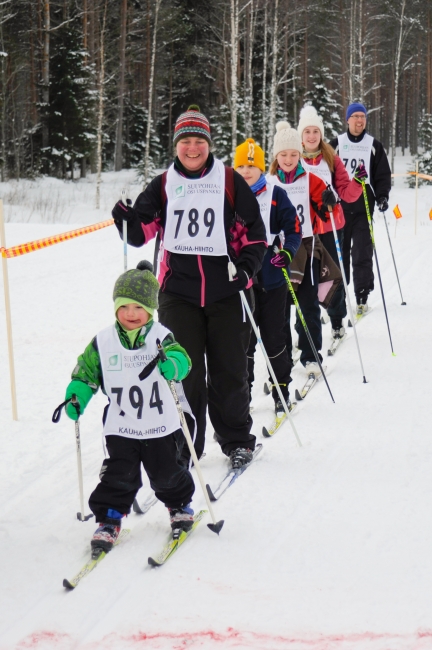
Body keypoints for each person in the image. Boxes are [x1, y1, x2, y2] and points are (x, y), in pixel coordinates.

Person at [111, 105, 267, 470]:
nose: (193, 148)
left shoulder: (229, 181)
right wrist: (125, 219)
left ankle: (236, 440)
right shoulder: (164, 183)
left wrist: (247, 270)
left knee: (230, 370)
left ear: (209, 144)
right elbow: (140, 232)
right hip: (178, 293)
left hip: (225, 290)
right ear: (176, 145)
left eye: (199, 141)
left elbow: (255, 235)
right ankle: (185, 442)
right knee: (184, 372)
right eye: (186, 141)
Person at [63, 261, 196, 555]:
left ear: (150, 309)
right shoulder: (103, 341)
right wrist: (78, 395)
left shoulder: (160, 336)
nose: (131, 314)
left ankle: (179, 506)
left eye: (138, 307)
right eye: (124, 307)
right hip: (122, 425)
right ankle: (109, 518)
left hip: (160, 422)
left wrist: (173, 365)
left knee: (166, 472)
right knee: (117, 474)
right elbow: (86, 373)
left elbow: (182, 358)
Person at [267, 121, 341, 374]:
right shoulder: (268, 182)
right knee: (279, 309)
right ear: (276, 156)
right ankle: (283, 357)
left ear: (300, 154)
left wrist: (329, 202)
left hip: (307, 249)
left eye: (293, 154)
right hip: (278, 252)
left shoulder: (310, 178)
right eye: (284, 154)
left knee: (306, 304)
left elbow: (326, 208)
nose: (288, 159)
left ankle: (311, 355)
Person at [234, 138, 301, 412]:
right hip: (242, 283)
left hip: (273, 280)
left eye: (251, 166)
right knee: (243, 343)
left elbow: (293, 228)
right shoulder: (229, 196)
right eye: (241, 166)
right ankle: (243, 394)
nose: (246, 171)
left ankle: (281, 387)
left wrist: (288, 252)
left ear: (262, 168)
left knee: (275, 337)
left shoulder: (275, 193)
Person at [297, 104, 366, 339]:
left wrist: (356, 183)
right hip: (304, 229)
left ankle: (337, 320)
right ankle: (304, 329)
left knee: (332, 275)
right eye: (307, 132)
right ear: (301, 135)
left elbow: (346, 191)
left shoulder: (330, 157)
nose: (312, 136)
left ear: (321, 134)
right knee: (304, 281)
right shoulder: (294, 158)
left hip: (330, 226)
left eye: (316, 131)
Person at [330, 102, 392, 314]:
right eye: (355, 116)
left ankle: (362, 296)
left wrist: (382, 197)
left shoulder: (373, 145)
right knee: (339, 255)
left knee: (362, 253)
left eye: (362, 117)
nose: (359, 120)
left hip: (364, 206)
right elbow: (324, 173)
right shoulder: (336, 144)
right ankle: (336, 299)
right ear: (347, 119)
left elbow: (382, 174)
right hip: (340, 209)